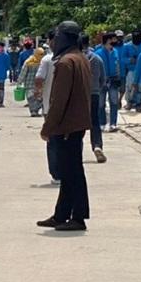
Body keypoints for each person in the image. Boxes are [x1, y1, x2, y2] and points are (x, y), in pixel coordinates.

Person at [37, 21, 92, 232]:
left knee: (73, 173)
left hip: (66, 126)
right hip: (77, 124)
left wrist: (48, 127)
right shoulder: (81, 59)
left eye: (55, 38)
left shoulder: (66, 63)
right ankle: (61, 215)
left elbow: (58, 101)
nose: (52, 42)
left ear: (63, 40)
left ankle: (78, 217)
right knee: (69, 172)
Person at [36, 43, 59, 184]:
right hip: (71, 108)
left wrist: (39, 93)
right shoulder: (77, 58)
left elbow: (39, 79)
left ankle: (56, 174)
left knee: (52, 140)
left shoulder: (47, 60)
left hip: (49, 107)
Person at [84, 35, 107, 164]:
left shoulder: (76, 58)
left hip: (79, 95)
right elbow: (103, 78)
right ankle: (97, 146)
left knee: (77, 123)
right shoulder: (97, 58)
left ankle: (77, 150)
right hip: (94, 94)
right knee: (95, 121)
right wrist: (97, 88)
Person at [96, 32, 121, 131]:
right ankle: (102, 123)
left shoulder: (116, 51)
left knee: (114, 102)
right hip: (102, 80)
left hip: (114, 79)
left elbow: (118, 65)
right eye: (114, 39)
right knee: (101, 103)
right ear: (108, 40)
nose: (116, 41)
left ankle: (113, 123)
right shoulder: (98, 53)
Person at [19, 46, 45, 117]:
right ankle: (33, 111)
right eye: (40, 54)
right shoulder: (29, 62)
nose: (41, 55)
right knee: (31, 98)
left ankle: (35, 111)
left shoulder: (43, 62)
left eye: (42, 54)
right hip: (30, 84)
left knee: (39, 98)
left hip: (38, 84)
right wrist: (20, 81)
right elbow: (24, 72)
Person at [125, 29, 141, 112]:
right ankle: (129, 102)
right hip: (131, 70)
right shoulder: (127, 46)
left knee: (140, 88)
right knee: (130, 87)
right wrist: (130, 60)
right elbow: (122, 58)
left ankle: (138, 104)